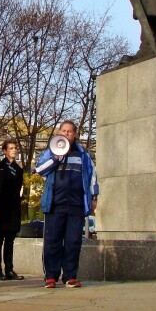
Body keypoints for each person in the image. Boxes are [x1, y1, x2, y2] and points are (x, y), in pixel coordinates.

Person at [37, 121, 98, 288]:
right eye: (63, 131)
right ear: (59, 132)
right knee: (52, 240)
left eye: (70, 131)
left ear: (75, 134)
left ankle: (70, 276)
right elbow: (40, 169)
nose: (66, 134)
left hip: (76, 204)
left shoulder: (83, 155)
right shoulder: (51, 151)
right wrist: (56, 158)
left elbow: (92, 175)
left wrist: (94, 197)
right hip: (55, 204)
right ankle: (51, 276)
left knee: (73, 241)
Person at [0, 139, 24, 281]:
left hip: (13, 209)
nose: (14, 150)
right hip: (1, 209)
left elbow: (18, 189)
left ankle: (9, 268)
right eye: (11, 148)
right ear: (5, 151)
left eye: (15, 148)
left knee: (10, 240)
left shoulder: (19, 170)